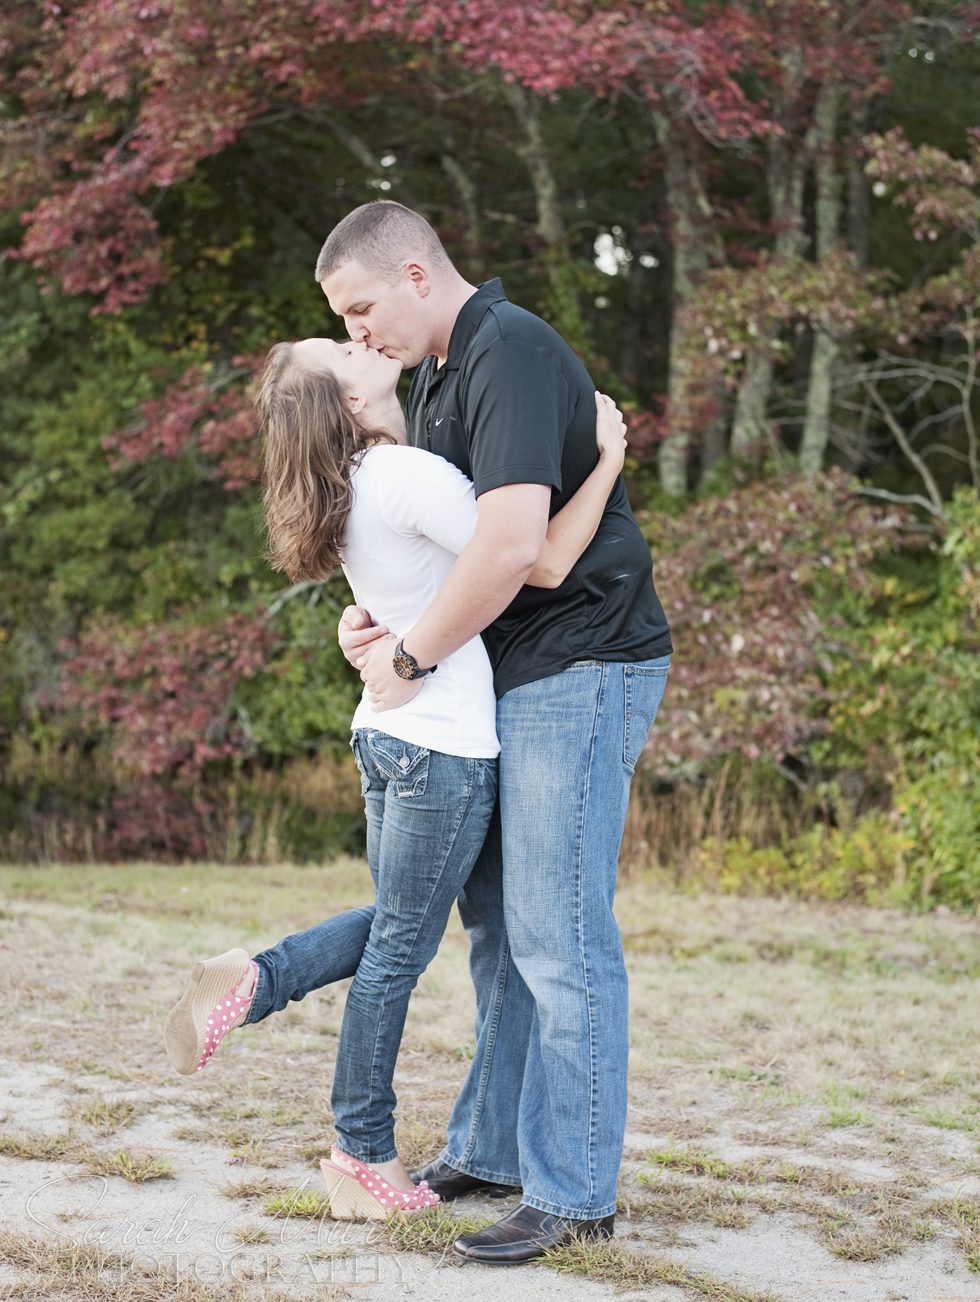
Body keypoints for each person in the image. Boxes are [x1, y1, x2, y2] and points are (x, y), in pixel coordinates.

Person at [162, 331, 631, 1222]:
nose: (360, 340)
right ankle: (360, 1151)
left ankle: (259, 981)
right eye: (341, 348)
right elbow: (538, 560)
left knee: (399, 924)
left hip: (391, 739)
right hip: (441, 746)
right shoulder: (405, 473)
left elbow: (401, 595)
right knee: (397, 954)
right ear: (346, 402)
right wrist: (606, 461)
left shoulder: (352, 490)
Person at [318, 200, 672, 1263]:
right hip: (501, 678)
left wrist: (412, 658)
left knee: (560, 938)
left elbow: (518, 548)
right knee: (500, 936)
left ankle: (573, 1194)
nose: (358, 333)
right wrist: (377, 629)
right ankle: (490, 1148)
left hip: (586, 659)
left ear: (417, 275)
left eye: (362, 307)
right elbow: (450, 555)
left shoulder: (507, 351)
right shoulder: (431, 381)